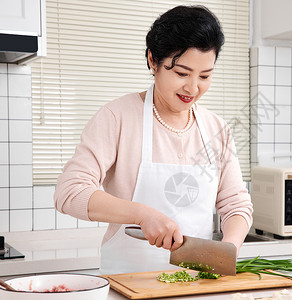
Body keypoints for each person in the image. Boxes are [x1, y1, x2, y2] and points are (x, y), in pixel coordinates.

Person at [54, 5, 253, 274]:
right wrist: (142, 215)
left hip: (197, 284)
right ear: (152, 60)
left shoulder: (216, 128)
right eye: (182, 73)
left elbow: (236, 204)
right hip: (127, 283)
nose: (193, 88)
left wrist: (226, 251)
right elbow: (70, 192)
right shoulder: (117, 117)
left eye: (205, 76)